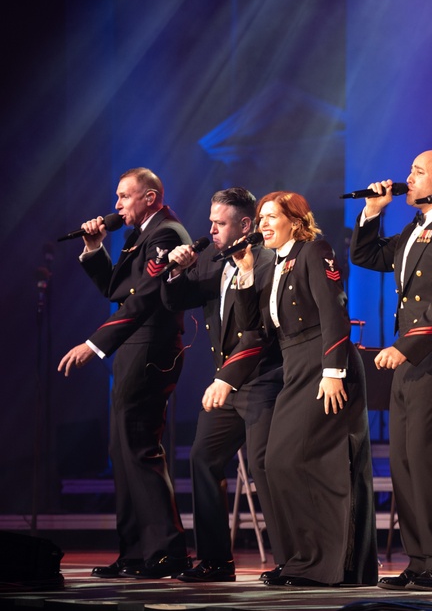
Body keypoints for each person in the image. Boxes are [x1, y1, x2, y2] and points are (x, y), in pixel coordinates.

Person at [229, 191, 377, 587]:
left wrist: (333, 371)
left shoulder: (315, 249)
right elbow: (255, 331)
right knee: (275, 462)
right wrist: (245, 274)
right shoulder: (272, 264)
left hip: (324, 365)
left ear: (295, 220)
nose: (262, 225)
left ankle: (323, 564)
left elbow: (334, 309)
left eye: (270, 217)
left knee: (311, 462)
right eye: (260, 218)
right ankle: (302, 558)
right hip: (296, 366)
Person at [57, 168, 192, 579]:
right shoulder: (141, 234)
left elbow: (144, 301)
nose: (115, 206)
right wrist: (95, 248)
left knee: (139, 447)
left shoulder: (166, 233)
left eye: (123, 197)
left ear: (149, 197)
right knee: (123, 451)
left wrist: (93, 343)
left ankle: (167, 551)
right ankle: (135, 551)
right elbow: (117, 290)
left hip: (150, 348)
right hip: (135, 347)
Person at [349, 151, 432, 592]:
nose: (407, 179)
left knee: (427, 458)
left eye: (418, 173)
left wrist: (406, 346)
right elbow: (367, 255)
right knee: (403, 459)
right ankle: (420, 559)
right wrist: (371, 212)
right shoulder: (413, 229)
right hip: (409, 360)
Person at [161, 187, 284, 582]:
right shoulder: (214, 264)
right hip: (227, 386)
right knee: (203, 457)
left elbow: (260, 333)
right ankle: (216, 560)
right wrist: (177, 270)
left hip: (263, 380)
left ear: (245, 225)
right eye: (211, 222)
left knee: (266, 467)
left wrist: (226, 379)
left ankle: (291, 560)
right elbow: (175, 299)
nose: (211, 230)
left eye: (220, 223)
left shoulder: (268, 262)